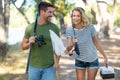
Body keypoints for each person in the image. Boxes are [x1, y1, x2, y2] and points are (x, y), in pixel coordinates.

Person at [66, 7, 108, 80]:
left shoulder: (90, 27)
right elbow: (68, 49)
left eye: (78, 16)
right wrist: (73, 42)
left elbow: (96, 43)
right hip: (79, 60)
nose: (75, 18)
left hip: (92, 59)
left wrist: (105, 56)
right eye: (73, 16)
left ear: (82, 16)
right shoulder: (70, 29)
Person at [21, 2, 60, 80]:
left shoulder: (54, 28)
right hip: (33, 68)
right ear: (42, 12)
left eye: (52, 12)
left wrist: (57, 62)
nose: (52, 14)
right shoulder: (30, 28)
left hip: (49, 68)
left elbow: (58, 47)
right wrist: (29, 43)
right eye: (50, 12)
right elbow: (23, 46)